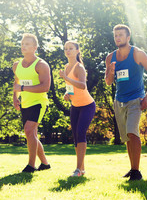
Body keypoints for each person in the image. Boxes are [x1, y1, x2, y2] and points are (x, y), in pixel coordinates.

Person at [105, 24, 147, 181]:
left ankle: (136, 172)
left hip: (136, 99)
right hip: (119, 100)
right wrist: (111, 72)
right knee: (127, 137)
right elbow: (108, 82)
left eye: (121, 35)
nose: (118, 38)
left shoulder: (137, 54)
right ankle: (133, 168)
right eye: (116, 35)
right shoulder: (110, 57)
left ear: (128, 38)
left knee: (132, 132)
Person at [12, 33, 51, 173]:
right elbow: (16, 82)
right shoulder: (17, 65)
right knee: (31, 134)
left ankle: (31, 165)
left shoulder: (41, 65)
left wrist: (22, 88)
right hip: (25, 103)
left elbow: (45, 87)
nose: (24, 46)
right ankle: (45, 164)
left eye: (27, 44)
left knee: (29, 131)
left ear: (35, 47)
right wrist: (15, 98)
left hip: (38, 103)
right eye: (22, 43)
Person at [59, 41, 96, 177]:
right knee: (75, 136)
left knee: (81, 133)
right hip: (75, 106)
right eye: (66, 49)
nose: (68, 51)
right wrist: (67, 94)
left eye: (71, 48)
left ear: (77, 51)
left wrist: (66, 77)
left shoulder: (79, 67)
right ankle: (82, 169)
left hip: (87, 106)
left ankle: (78, 169)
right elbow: (72, 87)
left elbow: (82, 86)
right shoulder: (66, 67)